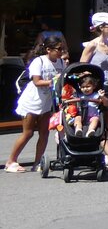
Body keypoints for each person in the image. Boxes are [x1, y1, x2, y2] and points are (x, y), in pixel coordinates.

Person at [5, 33, 67, 172]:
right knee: (28, 133)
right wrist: (54, 81)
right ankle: (11, 161)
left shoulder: (61, 62)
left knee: (44, 133)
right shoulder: (38, 61)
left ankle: (38, 163)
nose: (60, 52)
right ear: (48, 50)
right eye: (58, 49)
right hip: (31, 101)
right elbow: (37, 81)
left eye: (62, 48)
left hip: (46, 102)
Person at [80, 12, 108, 166]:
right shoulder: (92, 45)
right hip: (97, 90)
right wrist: (91, 85)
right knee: (99, 122)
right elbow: (82, 69)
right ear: (100, 27)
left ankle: (98, 148)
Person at [65, 72, 105, 137]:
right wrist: (72, 98)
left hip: (93, 116)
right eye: (83, 87)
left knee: (95, 120)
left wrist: (102, 96)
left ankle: (90, 131)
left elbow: (102, 102)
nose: (85, 89)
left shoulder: (96, 95)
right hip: (81, 115)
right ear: (80, 87)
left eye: (88, 86)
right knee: (77, 118)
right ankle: (78, 129)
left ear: (94, 86)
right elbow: (73, 104)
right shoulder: (79, 95)